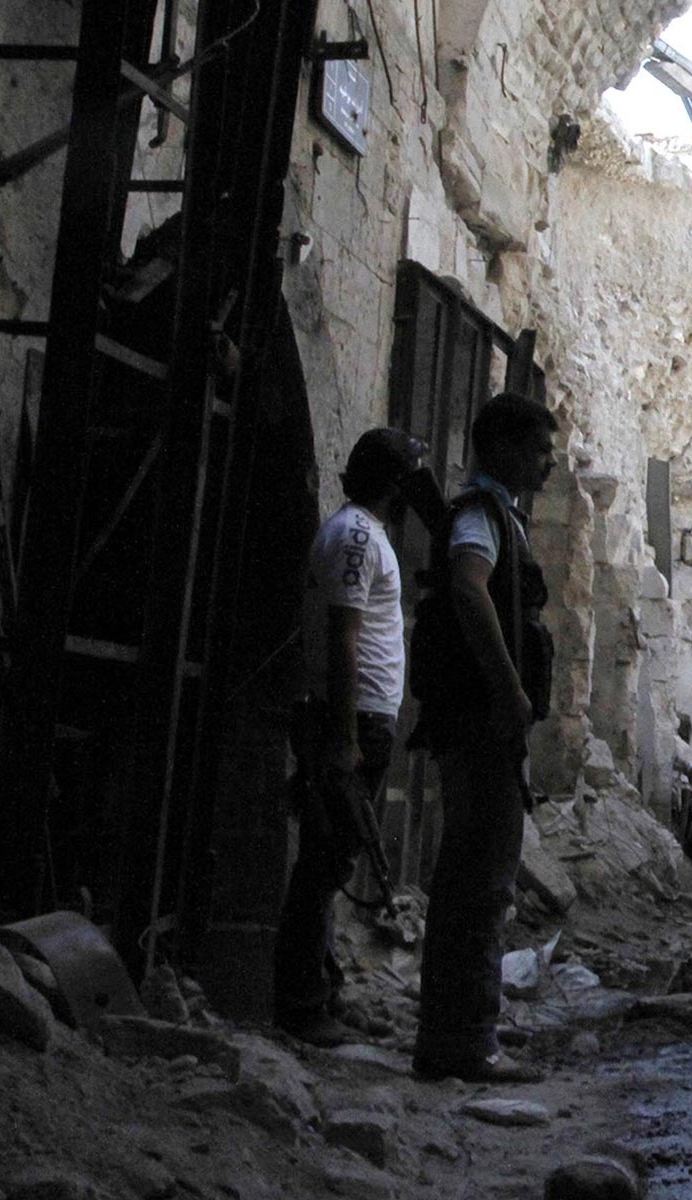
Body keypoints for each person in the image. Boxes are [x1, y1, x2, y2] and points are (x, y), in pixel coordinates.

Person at [409, 391, 556, 1082]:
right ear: (501, 447)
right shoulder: (481, 515)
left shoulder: (502, 516)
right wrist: (508, 687)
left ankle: (466, 1030)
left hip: (482, 720)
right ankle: (464, 1043)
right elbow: (470, 589)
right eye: (538, 448)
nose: (548, 461)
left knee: (479, 876)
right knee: (478, 878)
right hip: (479, 719)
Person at [274, 426, 426, 1047]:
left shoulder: (365, 535)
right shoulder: (359, 536)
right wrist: (341, 738)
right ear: (396, 484)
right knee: (322, 862)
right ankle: (302, 1004)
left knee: (333, 859)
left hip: (362, 718)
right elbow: (343, 635)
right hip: (352, 718)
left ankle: (323, 994)